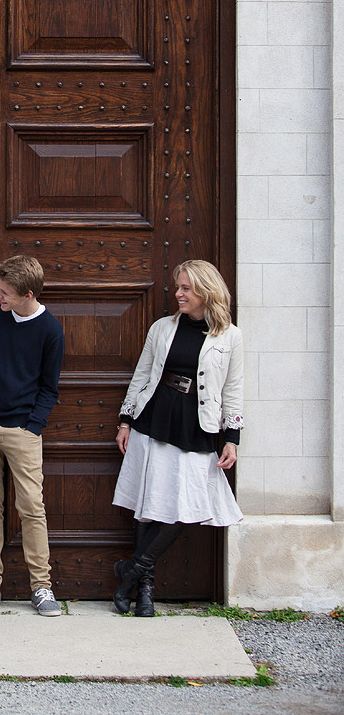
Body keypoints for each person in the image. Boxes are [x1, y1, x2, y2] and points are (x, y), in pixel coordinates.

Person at [112, 259, 243, 617]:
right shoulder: (162, 328)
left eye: (186, 288)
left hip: (196, 426)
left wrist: (232, 437)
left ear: (206, 291)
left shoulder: (230, 336)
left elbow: (233, 389)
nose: (178, 293)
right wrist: (125, 420)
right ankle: (145, 592)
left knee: (186, 509)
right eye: (178, 287)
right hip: (154, 418)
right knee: (148, 507)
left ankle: (131, 572)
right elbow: (141, 375)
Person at [0, 255, 64, 616]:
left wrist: (32, 425)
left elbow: (49, 387)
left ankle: (42, 587)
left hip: (23, 431)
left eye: (5, 292)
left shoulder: (50, 330)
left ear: (27, 294)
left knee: (31, 509)